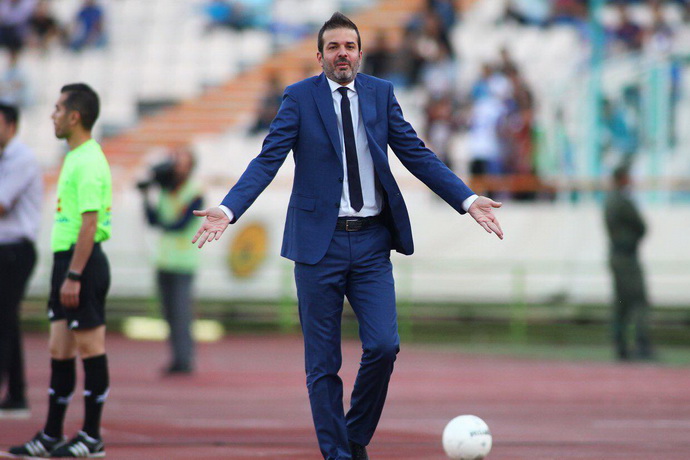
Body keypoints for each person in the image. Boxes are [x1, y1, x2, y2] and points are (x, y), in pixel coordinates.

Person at [192, 12, 503, 460]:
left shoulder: (381, 93)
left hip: (372, 241)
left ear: (360, 53)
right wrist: (228, 209)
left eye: (350, 46)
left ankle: (353, 436)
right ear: (319, 56)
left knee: (384, 346)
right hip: (318, 246)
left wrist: (467, 199)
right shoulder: (299, 97)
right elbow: (267, 160)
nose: (343, 54)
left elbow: (415, 153)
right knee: (323, 363)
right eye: (334, 47)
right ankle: (338, 454)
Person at [9, 83, 111, 458]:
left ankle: (92, 436)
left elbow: (90, 223)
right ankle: (52, 433)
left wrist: (74, 275)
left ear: (74, 116)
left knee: (90, 347)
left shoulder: (88, 160)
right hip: (66, 262)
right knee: (60, 348)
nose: (52, 115)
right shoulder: (75, 156)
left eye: (57, 109)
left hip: (81, 263)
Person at [139, 146, 204, 375]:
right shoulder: (166, 190)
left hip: (184, 261)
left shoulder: (195, 192)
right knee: (168, 313)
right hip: (164, 259)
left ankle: (185, 359)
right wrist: (146, 196)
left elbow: (179, 224)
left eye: (181, 163)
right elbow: (152, 219)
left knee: (181, 313)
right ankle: (177, 358)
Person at [0, 103, 42, 418]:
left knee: (3, 320)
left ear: (11, 126)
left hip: (15, 249)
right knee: (8, 321)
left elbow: (2, 204)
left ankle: (13, 391)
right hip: (6, 248)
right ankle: (16, 393)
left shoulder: (22, 158)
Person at [604, 164, 653, 362]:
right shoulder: (623, 201)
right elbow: (641, 226)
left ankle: (621, 345)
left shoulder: (609, 201)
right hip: (627, 256)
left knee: (621, 303)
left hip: (617, 255)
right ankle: (641, 343)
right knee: (638, 300)